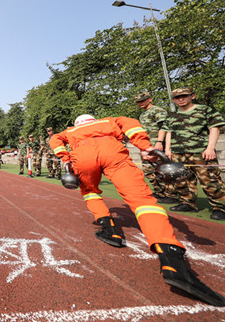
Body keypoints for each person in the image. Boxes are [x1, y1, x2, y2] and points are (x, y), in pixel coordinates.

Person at [49, 114, 225, 306]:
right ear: (93, 120)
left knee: (90, 191)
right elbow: (131, 124)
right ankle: (171, 259)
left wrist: (65, 158)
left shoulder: (71, 131)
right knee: (143, 201)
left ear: (77, 124)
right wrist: (145, 146)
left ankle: (110, 230)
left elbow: (55, 139)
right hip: (113, 152)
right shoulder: (109, 120)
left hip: (82, 155)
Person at [159, 87, 225, 220]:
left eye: (184, 96)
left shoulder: (205, 110)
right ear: (173, 100)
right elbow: (169, 132)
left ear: (192, 96)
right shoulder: (172, 115)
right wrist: (168, 150)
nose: (181, 99)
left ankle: (220, 207)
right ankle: (188, 203)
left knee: (210, 180)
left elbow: (214, 128)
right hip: (178, 153)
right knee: (182, 180)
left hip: (200, 153)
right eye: (177, 97)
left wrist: (210, 148)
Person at [134, 91, 177, 204]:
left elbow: (164, 127)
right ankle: (159, 191)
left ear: (150, 99)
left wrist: (160, 143)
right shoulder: (143, 114)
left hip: (157, 146)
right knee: (149, 170)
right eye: (138, 102)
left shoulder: (158, 111)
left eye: (142, 101)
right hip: (147, 147)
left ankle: (171, 195)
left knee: (163, 170)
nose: (140, 103)